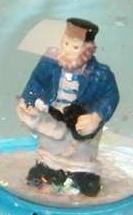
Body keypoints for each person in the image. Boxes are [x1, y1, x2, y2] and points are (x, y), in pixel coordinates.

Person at [17, 18, 119, 197]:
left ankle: (81, 175)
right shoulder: (50, 62)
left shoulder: (100, 74)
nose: (67, 51)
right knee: (51, 147)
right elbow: (37, 81)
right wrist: (28, 100)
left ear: (88, 50)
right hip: (52, 118)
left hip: (79, 123)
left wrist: (96, 116)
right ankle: (49, 169)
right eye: (65, 44)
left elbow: (110, 96)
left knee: (81, 152)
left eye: (75, 47)